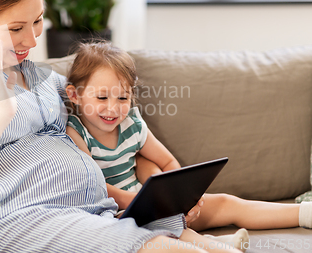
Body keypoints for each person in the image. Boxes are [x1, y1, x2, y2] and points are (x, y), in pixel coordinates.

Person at [0, 0, 242, 253]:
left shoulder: (46, 80)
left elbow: (115, 122)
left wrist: (140, 199)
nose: (32, 40)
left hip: (91, 211)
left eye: (37, 21)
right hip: (16, 217)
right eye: (15, 28)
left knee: (176, 227)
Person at [64, 41, 312, 238]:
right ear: (75, 95)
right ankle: (213, 244)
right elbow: (95, 186)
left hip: (152, 205)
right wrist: (144, 203)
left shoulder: (132, 124)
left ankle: (304, 214)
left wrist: (183, 199)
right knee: (157, 231)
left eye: (122, 98)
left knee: (226, 202)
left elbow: (168, 162)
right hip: (117, 215)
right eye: (102, 98)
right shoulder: (75, 133)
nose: (113, 109)